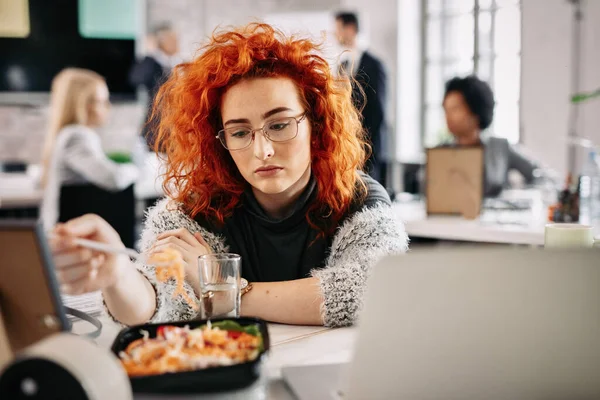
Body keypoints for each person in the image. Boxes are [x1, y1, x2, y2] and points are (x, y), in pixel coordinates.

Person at [49, 23, 408, 328]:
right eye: (239, 132)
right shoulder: (195, 210)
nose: (262, 150)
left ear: (316, 125)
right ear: (219, 139)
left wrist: (223, 292)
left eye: (280, 125)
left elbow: (374, 289)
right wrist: (117, 275)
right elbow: (154, 300)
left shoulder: (356, 197)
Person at [40, 68, 139, 239]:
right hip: (66, 236)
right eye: (102, 101)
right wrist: (136, 168)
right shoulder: (77, 136)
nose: (108, 107)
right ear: (84, 104)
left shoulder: (68, 134)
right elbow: (112, 178)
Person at [442, 75, 538, 197]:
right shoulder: (441, 152)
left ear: (475, 110)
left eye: (455, 109)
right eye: (446, 110)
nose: (448, 117)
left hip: (495, 215)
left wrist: (519, 195)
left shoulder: (499, 148)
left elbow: (538, 174)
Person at [334, 11, 388, 187]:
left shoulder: (374, 65)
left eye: (338, 29)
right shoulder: (342, 66)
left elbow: (378, 111)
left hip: (368, 148)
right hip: (345, 149)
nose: (336, 34)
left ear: (350, 29)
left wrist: (363, 143)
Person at [129, 22, 180, 149]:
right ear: (160, 42)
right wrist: (151, 53)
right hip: (156, 128)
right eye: (170, 39)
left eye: (175, 38)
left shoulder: (180, 64)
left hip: (178, 127)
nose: (175, 42)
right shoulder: (151, 63)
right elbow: (136, 79)